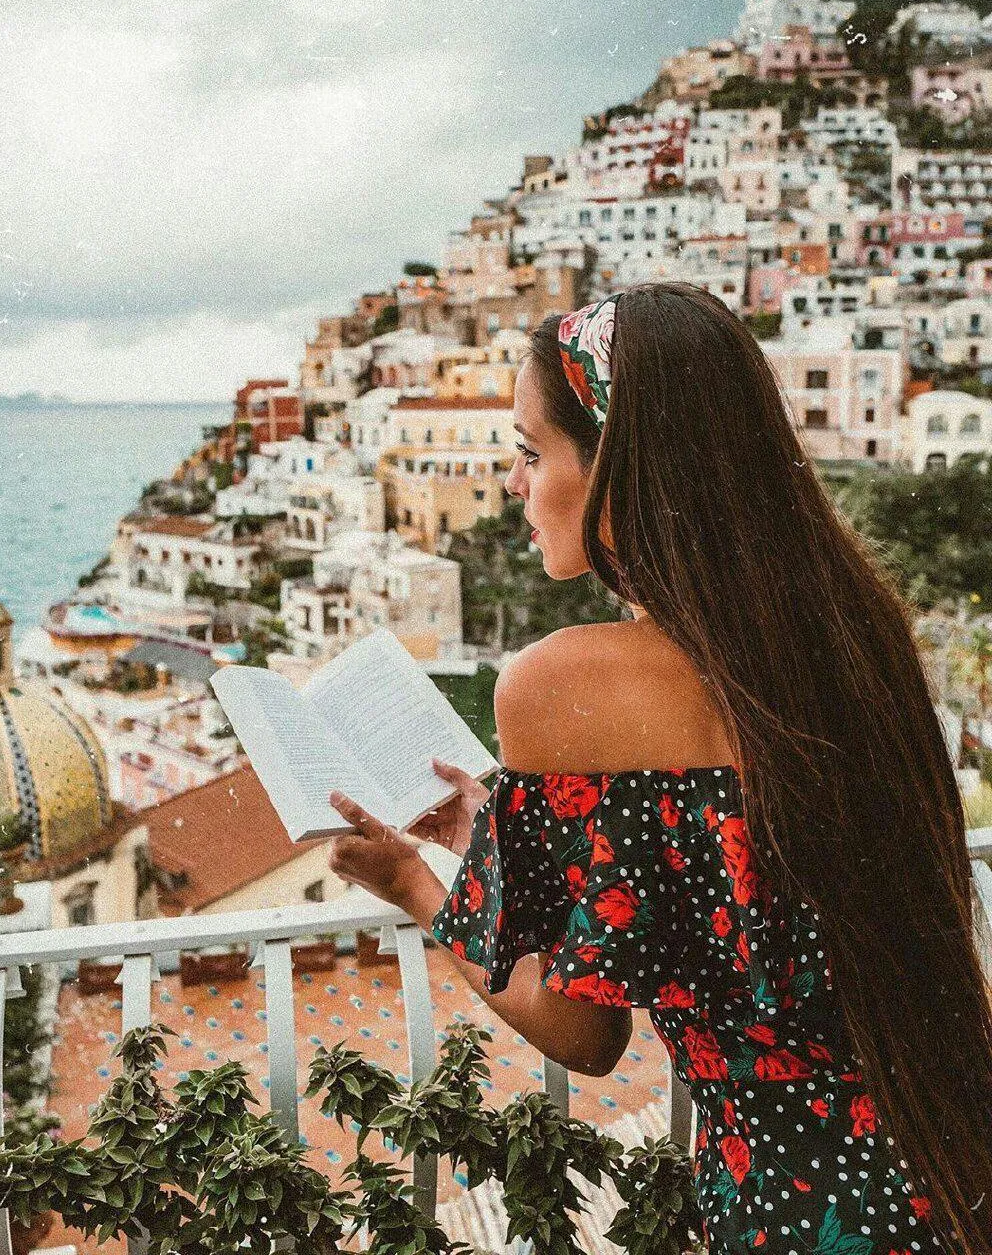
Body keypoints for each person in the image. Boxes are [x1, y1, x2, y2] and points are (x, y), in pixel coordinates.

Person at [325, 281, 992, 1254]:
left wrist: (414, 883)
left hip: (802, 1216)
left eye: (528, 450)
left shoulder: (559, 684)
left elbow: (584, 1035)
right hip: (955, 1168)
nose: (514, 482)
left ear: (617, 467)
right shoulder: (851, 641)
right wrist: (493, 831)